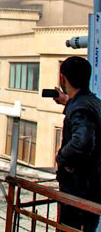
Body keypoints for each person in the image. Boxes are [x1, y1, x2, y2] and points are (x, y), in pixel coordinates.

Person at [53, 56, 101, 232]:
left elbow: (82, 142)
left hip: (78, 190)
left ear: (63, 78)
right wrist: (68, 102)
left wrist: (62, 157)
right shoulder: (94, 102)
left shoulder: (81, 108)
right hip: (92, 189)